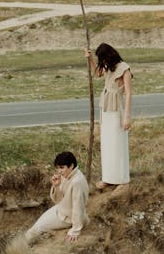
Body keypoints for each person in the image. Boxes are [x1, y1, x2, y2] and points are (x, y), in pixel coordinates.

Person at [86, 43, 132, 190]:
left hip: (117, 109)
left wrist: (127, 118)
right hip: (105, 108)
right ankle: (108, 178)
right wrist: (90, 59)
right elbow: (98, 74)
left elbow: (129, 94)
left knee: (118, 144)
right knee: (107, 144)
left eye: (103, 59)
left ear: (109, 56)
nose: (102, 62)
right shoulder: (108, 67)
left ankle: (121, 179)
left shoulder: (124, 69)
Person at [25, 151, 89, 243]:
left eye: (62, 167)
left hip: (67, 217)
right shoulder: (67, 174)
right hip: (60, 209)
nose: (59, 171)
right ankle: (20, 246)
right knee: (33, 229)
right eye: (58, 168)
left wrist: (75, 230)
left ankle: (21, 250)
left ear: (71, 166)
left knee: (35, 230)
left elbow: (78, 208)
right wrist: (57, 186)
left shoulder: (77, 182)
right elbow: (58, 200)